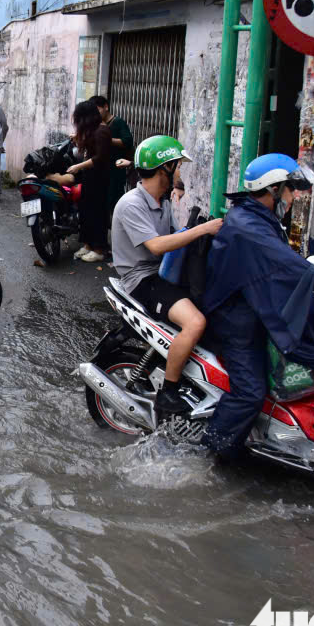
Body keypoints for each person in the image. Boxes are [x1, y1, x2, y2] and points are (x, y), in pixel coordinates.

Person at [199, 153, 314, 459]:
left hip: (251, 308)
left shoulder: (257, 218)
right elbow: (295, 269)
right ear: (273, 189)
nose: (293, 197)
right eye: (290, 189)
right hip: (235, 320)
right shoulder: (249, 227)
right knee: (250, 393)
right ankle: (211, 453)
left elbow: (287, 267)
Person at [110, 134, 224, 418]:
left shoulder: (161, 201)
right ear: (166, 168)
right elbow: (157, 245)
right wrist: (200, 231)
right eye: (178, 166)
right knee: (196, 322)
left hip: (163, 273)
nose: (180, 172)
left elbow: (176, 237)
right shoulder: (131, 204)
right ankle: (169, 392)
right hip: (142, 280)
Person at [64, 99, 114, 261]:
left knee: (97, 213)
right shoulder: (92, 131)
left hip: (99, 178)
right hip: (89, 177)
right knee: (85, 211)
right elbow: (85, 151)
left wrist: (79, 167)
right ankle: (87, 245)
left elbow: (100, 158)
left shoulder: (102, 131)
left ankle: (99, 249)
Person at [92, 95, 133, 220]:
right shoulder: (97, 124)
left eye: (98, 109)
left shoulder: (118, 122)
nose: (96, 114)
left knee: (115, 200)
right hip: (102, 167)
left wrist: (107, 140)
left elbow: (127, 141)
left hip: (116, 168)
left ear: (106, 107)